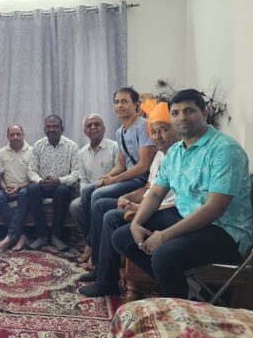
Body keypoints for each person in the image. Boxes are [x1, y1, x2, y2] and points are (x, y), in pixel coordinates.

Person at [112, 89, 252, 299]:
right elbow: (156, 193)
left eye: (189, 111)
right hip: (186, 216)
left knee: (163, 257)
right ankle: (185, 288)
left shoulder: (225, 150)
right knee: (122, 238)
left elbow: (215, 208)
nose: (182, 117)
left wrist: (164, 236)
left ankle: (180, 306)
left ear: (204, 113)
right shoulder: (176, 151)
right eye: (175, 113)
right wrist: (135, 224)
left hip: (224, 229)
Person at [78, 102, 179, 297]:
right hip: (149, 204)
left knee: (109, 215)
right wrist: (127, 197)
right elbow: (149, 188)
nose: (157, 137)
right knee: (100, 205)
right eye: (153, 132)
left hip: (164, 210)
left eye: (163, 130)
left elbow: (173, 201)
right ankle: (99, 267)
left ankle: (107, 282)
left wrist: (138, 207)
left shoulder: (179, 156)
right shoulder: (160, 156)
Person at [80, 88, 156, 227]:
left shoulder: (143, 125)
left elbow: (144, 165)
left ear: (136, 104)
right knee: (86, 190)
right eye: (117, 102)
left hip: (142, 179)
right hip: (129, 178)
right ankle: (89, 236)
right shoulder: (120, 131)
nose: (119, 105)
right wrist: (108, 176)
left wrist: (114, 180)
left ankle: (94, 238)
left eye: (124, 101)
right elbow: (121, 164)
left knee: (97, 194)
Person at [69, 114, 119, 265]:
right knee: (75, 206)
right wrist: (87, 195)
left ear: (104, 128)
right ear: (85, 131)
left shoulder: (115, 147)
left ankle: (94, 247)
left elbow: (121, 173)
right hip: (89, 194)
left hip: (110, 191)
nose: (93, 128)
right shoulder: (82, 153)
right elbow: (83, 180)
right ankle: (90, 242)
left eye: (97, 124)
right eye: (89, 125)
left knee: (96, 204)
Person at [26, 115, 79, 251]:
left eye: (55, 126)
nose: (51, 129)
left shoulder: (72, 146)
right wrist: (40, 181)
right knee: (31, 189)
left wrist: (59, 180)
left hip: (61, 185)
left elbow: (76, 173)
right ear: (44, 129)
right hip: (42, 185)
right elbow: (31, 171)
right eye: (48, 127)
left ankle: (56, 237)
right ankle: (42, 236)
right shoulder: (38, 146)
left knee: (62, 190)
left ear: (62, 128)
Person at [0, 125, 32, 252]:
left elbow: (34, 177)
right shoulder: (1, 153)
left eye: (18, 134)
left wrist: (20, 187)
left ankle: (10, 237)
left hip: (24, 188)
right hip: (7, 189)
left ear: (23, 135)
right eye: (12, 135)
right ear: (7, 137)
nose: (15, 137)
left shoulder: (32, 151)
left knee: (25, 193)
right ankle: (21, 236)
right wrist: (5, 188)